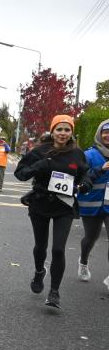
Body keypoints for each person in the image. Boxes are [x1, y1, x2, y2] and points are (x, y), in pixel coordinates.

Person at [15, 115, 92, 308]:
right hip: (40, 203)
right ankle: (40, 271)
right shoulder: (40, 151)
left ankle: (54, 292)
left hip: (64, 206)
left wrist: (83, 185)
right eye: (59, 129)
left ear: (71, 132)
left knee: (58, 249)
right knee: (40, 246)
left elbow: (86, 175)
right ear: (53, 131)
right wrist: (38, 166)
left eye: (67, 130)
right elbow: (20, 173)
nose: (63, 134)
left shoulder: (77, 154)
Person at [76, 120, 109, 289]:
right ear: (99, 134)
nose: (108, 135)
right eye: (105, 132)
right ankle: (83, 261)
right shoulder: (89, 155)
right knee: (91, 237)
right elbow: (81, 177)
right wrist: (101, 169)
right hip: (92, 203)